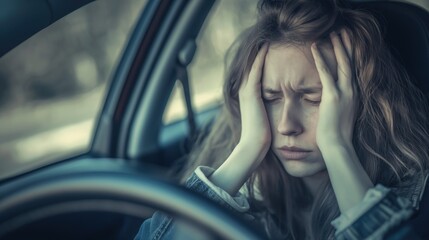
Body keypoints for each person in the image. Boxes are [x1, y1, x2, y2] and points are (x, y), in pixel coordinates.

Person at [135, 0, 429, 239]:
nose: (287, 125)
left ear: (361, 102)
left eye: (314, 98)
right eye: (270, 98)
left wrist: (337, 147)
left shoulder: (414, 198)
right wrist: (247, 148)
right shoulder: (252, 192)